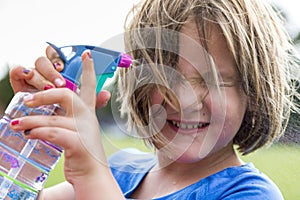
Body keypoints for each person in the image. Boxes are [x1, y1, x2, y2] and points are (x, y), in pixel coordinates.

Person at [8, 0, 299, 199]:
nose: (185, 100)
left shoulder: (251, 194)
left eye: (215, 80)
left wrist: (90, 173)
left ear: (253, 92)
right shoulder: (123, 170)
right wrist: (24, 140)